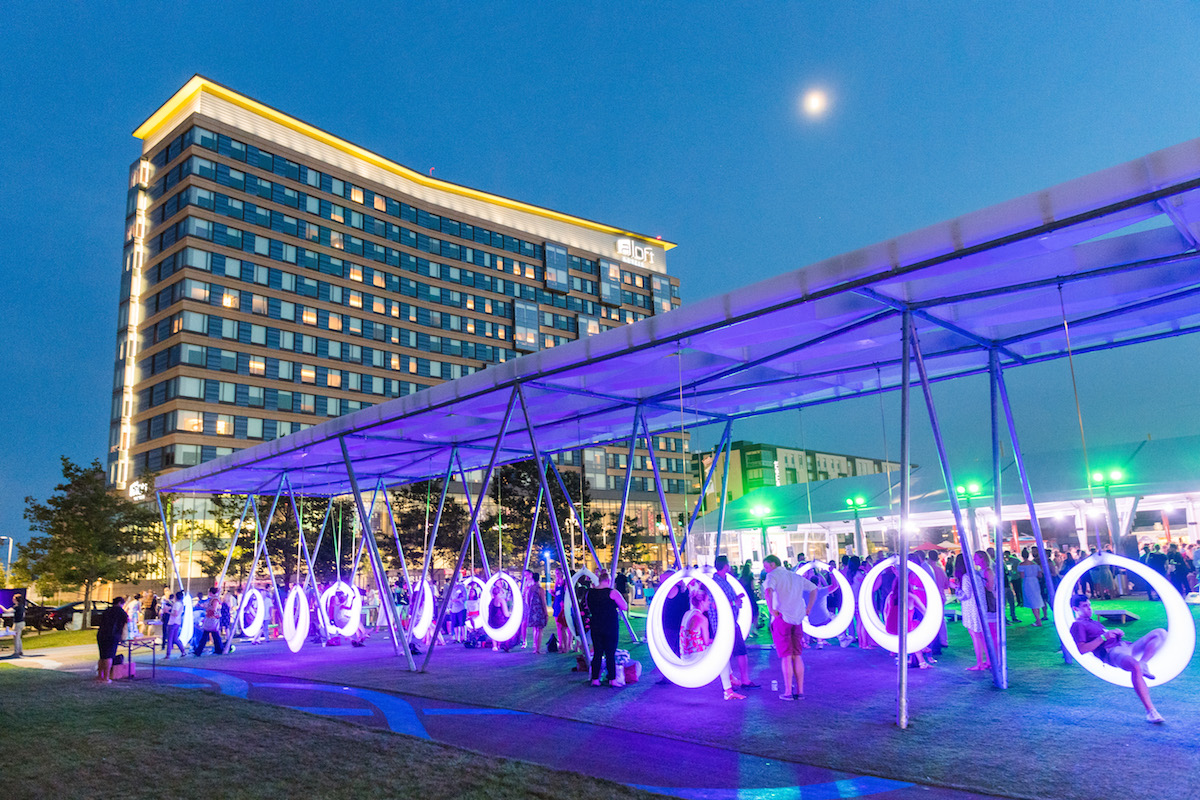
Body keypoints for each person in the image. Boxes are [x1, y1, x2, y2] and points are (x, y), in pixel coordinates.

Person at [1069, 594, 1166, 723]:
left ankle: (1143, 663)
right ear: (1076, 609)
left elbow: (1106, 635)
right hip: (1112, 652)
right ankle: (1151, 711)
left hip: (1124, 646)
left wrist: (1116, 633)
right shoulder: (1078, 625)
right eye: (1085, 606)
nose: (1089, 609)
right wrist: (1104, 637)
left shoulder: (1094, 622)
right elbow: (1082, 649)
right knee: (1134, 666)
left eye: (1090, 605)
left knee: (1160, 633)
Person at [762, 554, 815, 700]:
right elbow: (814, 589)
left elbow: (768, 591)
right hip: (797, 619)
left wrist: (771, 609)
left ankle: (787, 691)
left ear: (773, 564)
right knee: (797, 655)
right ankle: (800, 690)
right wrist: (809, 608)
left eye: (766, 566)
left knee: (786, 656)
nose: (766, 570)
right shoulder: (795, 576)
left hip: (782, 618)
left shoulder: (773, 576)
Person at [680, 583, 744, 700]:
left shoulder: (687, 614)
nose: (709, 602)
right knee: (722, 652)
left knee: (722, 647)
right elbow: (705, 642)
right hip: (695, 657)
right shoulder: (702, 619)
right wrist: (720, 640)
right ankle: (728, 690)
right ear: (702, 602)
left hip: (685, 655)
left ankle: (730, 678)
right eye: (708, 600)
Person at [712, 556, 757, 688]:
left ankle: (733, 680)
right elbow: (714, 604)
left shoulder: (725, 581)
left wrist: (736, 599)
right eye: (729, 564)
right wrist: (734, 602)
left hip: (730, 621)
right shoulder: (716, 583)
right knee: (739, 651)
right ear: (726, 566)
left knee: (730, 652)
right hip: (725, 623)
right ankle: (743, 680)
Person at [586, 570, 628, 686]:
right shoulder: (612, 593)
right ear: (609, 581)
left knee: (597, 652)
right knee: (610, 653)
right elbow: (625, 606)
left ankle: (595, 679)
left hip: (596, 624)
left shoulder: (590, 593)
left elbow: (589, 607)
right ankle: (612, 679)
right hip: (610, 625)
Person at [955, 553, 989, 671]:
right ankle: (988, 660)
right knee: (981, 635)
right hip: (980, 607)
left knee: (975, 635)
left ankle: (979, 663)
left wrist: (955, 588)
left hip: (972, 608)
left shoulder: (966, 577)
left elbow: (965, 595)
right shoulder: (975, 574)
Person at [96, 597, 129, 683]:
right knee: (109, 656)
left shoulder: (107, 610)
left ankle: (100, 676)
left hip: (101, 634)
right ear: (119, 603)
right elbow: (126, 622)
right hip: (112, 635)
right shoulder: (121, 612)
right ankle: (106, 678)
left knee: (102, 656)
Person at [194, 587, 226, 656]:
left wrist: (208, 609)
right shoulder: (214, 599)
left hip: (212, 619)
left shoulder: (215, 600)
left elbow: (214, 609)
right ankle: (218, 649)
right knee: (214, 635)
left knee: (210, 635)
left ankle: (199, 650)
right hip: (211, 619)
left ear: (211, 592)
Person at [522, 570, 548, 652]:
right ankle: (537, 649)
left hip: (532, 611)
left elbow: (528, 601)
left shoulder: (530, 589)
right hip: (539, 611)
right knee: (539, 630)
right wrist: (546, 613)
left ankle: (536, 648)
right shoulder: (540, 589)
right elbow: (543, 602)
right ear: (539, 579)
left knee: (536, 629)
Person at [1018, 548, 1045, 626]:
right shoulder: (1034, 564)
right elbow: (1040, 575)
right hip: (1035, 582)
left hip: (1027, 582)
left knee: (1032, 601)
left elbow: (1022, 576)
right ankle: (1038, 619)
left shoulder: (1021, 565)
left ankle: (1038, 620)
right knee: (1036, 599)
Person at [551, 568, 573, 653]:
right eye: (555, 573)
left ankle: (567, 645)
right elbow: (557, 594)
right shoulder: (556, 583)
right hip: (557, 604)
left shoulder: (564, 582)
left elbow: (566, 593)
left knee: (563, 626)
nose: (556, 574)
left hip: (562, 605)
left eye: (558, 573)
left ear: (561, 573)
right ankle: (561, 644)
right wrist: (552, 593)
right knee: (558, 626)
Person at [163, 592, 187, 658]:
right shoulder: (181, 604)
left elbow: (175, 614)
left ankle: (168, 654)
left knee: (170, 639)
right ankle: (183, 651)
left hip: (172, 622)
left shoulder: (176, 604)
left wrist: (167, 612)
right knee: (175, 638)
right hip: (177, 622)